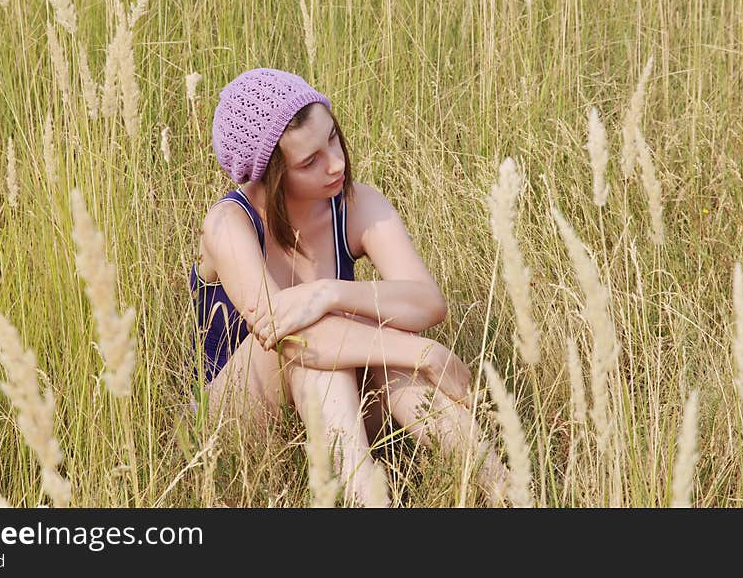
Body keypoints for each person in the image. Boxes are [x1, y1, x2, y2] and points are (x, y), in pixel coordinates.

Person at [189, 68, 508, 506]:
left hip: (338, 415)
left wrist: (329, 293)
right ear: (269, 176)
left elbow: (427, 302)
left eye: (333, 139)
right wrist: (425, 353)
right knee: (313, 345)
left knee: (362, 335)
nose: (336, 163)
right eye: (310, 161)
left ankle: (508, 492)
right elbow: (289, 337)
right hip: (239, 423)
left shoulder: (354, 204)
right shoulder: (229, 224)